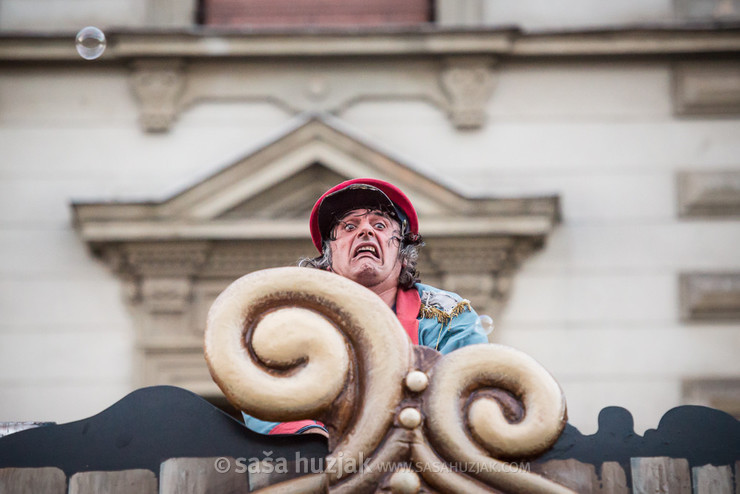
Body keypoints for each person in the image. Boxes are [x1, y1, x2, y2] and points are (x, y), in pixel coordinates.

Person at [243, 178, 487, 436]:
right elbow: (260, 391)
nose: (366, 231)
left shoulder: (448, 315)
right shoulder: (294, 320)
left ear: (403, 256)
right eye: (349, 226)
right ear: (329, 260)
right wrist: (308, 437)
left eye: (380, 225)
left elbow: (472, 395)